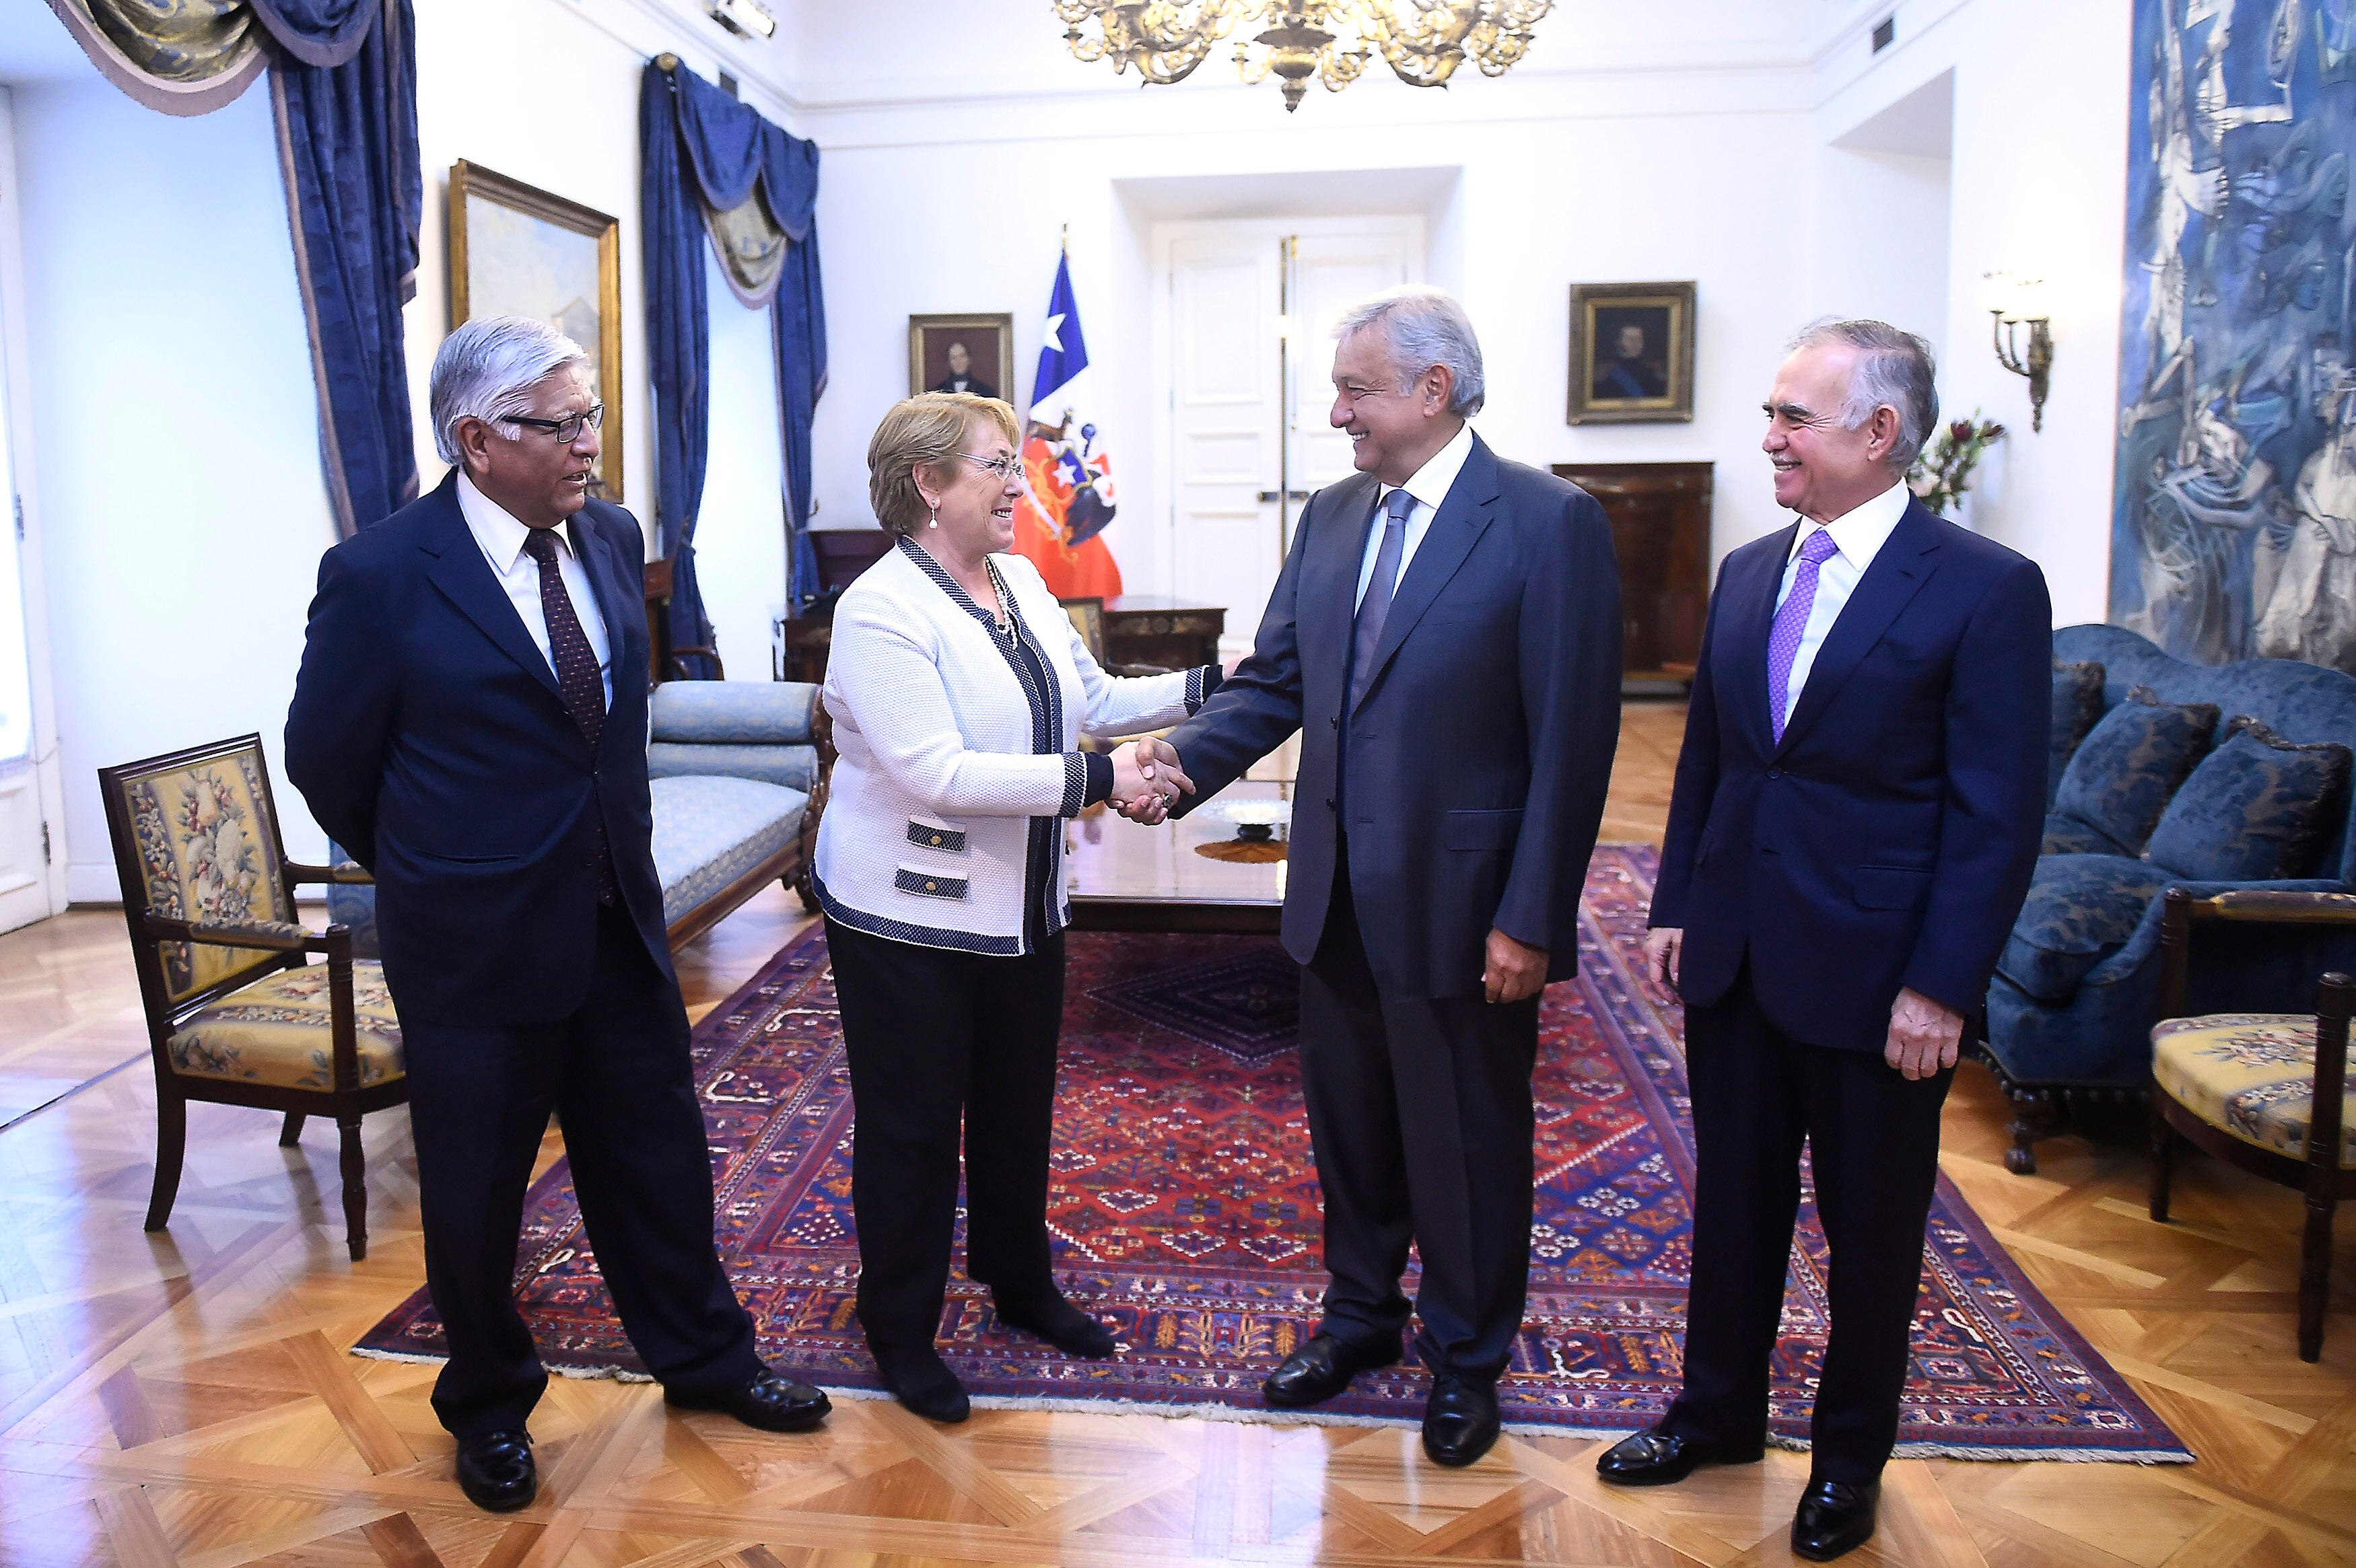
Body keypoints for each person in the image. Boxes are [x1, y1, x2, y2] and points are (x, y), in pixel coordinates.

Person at [284, 316, 831, 1515]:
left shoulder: (610, 536)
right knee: (477, 1191)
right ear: (477, 440)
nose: (590, 443)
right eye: (563, 423)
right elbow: (325, 759)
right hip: (474, 943)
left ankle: (705, 1360)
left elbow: (608, 736)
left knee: (655, 1155)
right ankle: (485, 1406)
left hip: (614, 920)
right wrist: (435, 863)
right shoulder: (380, 576)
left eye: (591, 417)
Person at [1119, 285, 1623, 1467]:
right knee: (1350, 1130)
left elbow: (1574, 742)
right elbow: (1277, 682)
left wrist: (1531, 916)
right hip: (1334, 890)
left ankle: (1466, 1357)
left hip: (1466, 905)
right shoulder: (1337, 515)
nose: (1337, 412)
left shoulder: (1550, 524)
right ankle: (1360, 1321)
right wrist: (1181, 770)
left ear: (1433, 390)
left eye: (1355, 389)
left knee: (1463, 1139)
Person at [1593, 320, 2048, 1562]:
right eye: (1774, 412)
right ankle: (1718, 1416)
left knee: (1872, 1234)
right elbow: (1715, 761)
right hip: (1738, 954)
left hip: (1878, 977)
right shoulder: (1748, 571)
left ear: (1878, 432)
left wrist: (1943, 986)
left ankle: (1849, 1461)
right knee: (1733, 1207)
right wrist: (1679, 899)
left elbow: (1997, 815)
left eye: (1794, 416)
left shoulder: (1985, 588)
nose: (1769, 436)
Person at [812, 391, 1216, 1422]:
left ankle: (1019, 1283)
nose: (1021, 484)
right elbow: (937, 770)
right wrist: (1099, 780)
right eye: (997, 466)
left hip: (1023, 904)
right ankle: (899, 1325)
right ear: (928, 485)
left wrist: (1220, 682)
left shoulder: (1024, 581)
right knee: (909, 1129)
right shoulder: (877, 611)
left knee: (1013, 1107)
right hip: (906, 914)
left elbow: (1102, 699)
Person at [1593, 320, 1667, 400]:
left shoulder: (1653, 368)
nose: (1635, 344)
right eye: (1631, 339)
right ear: (1618, 342)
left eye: (1639, 339)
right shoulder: (1605, 370)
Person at [930, 339, 997, 398]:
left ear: (969, 360)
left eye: (962, 356)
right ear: (949, 362)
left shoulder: (985, 392)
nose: (958, 362)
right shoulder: (938, 393)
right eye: (953, 358)